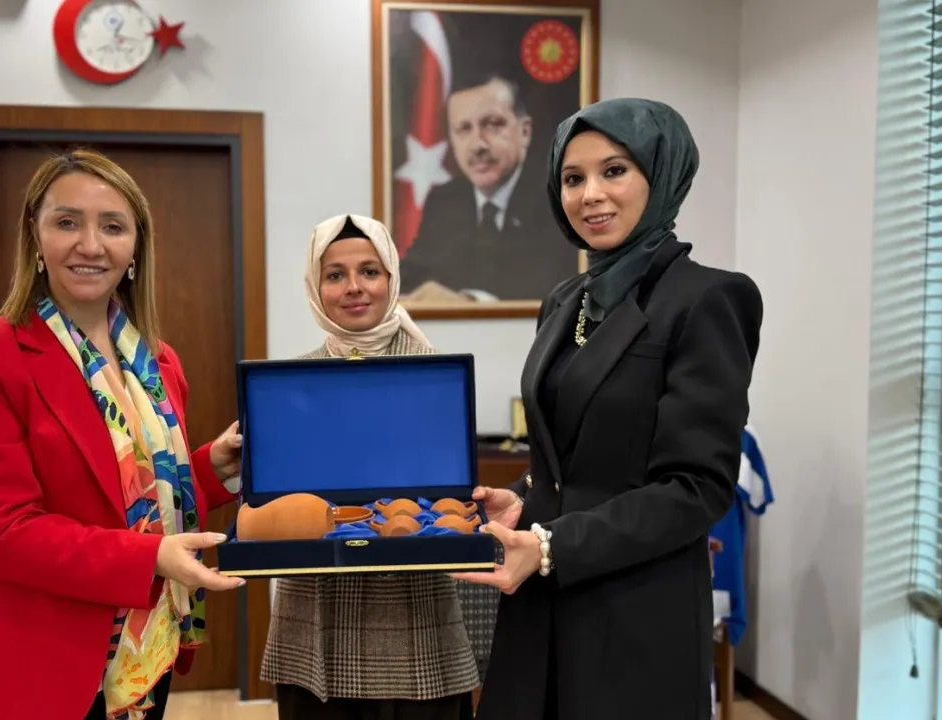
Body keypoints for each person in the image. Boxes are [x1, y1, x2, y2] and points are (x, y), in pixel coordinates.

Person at [452, 98, 764, 720]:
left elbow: (696, 487)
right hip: (540, 607)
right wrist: (525, 497)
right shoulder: (565, 300)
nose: (590, 194)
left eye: (614, 170)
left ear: (660, 174)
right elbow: (571, 453)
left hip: (636, 613)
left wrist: (551, 544)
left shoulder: (707, 298)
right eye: (573, 178)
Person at [0, 149, 246, 720]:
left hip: (143, 653)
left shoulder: (158, 362)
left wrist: (213, 467)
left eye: (112, 227)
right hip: (31, 666)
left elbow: (137, 492)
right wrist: (151, 556)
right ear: (35, 237)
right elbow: (6, 532)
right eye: (67, 222)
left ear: (135, 248)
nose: (90, 245)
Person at [261, 213, 481, 719]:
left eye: (369, 271)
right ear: (316, 287)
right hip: (315, 617)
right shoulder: (290, 384)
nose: (353, 287)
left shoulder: (435, 373)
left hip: (415, 620)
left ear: (391, 279)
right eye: (335, 274)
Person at [398, 73, 578, 301]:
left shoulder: (558, 199)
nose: (478, 145)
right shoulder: (444, 200)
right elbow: (412, 275)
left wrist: (470, 304)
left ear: (525, 132)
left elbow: (557, 288)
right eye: (464, 129)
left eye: (492, 124)